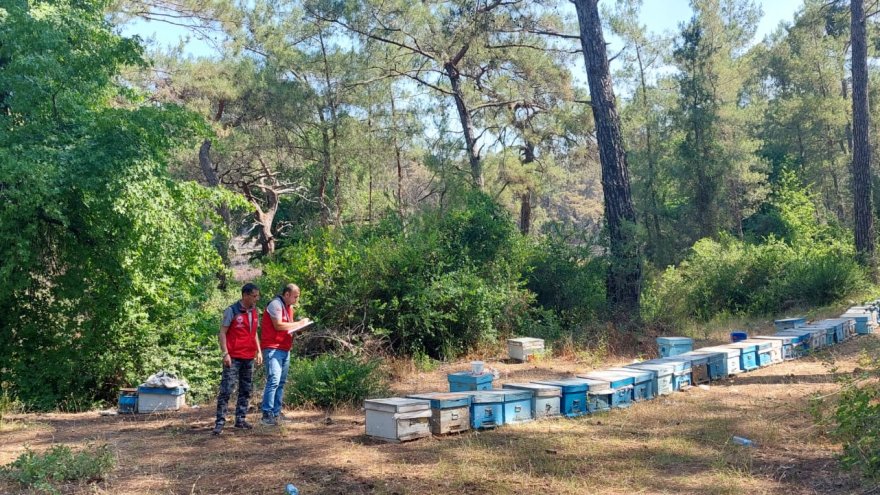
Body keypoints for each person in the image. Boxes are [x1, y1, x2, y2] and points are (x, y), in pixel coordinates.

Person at [212, 283, 263, 436]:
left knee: (246, 389)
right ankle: (219, 422)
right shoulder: (231, 311)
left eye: (257, 296)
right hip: (233, 357)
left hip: (248, 356)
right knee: (227, 389)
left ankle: (240, 419)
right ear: (245, 295)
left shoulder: (255, 311)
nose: (257, 299)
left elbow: (254, 333)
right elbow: (222, 333)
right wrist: (225, 353)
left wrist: (258, 351)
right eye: (254, 296)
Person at [260, 283, 313, 425]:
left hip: (284, 348)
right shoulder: (275, 304)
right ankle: (266, 414)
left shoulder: (289, 309)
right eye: (295, 297)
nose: (296, 300)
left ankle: (276, 413)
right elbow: (278, 325)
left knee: (281, 382)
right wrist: (298, 323)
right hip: (273, 347)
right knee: (274, 380)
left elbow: (288, 328)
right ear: (287, 294)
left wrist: (300, 328)